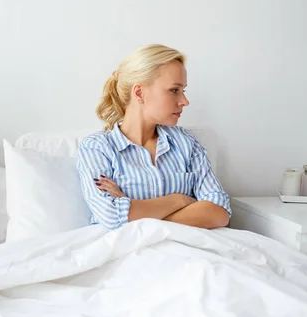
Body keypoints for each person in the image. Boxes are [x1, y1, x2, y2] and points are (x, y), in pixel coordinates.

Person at [76, 44, 231, 231]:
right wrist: (181, 200)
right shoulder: (97, 148)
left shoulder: (186, 143)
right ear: (139, 93)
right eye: (174, 90)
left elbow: (220, 211)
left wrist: (132, 207)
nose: (184, 101)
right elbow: (112, 216)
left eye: (184, 91)